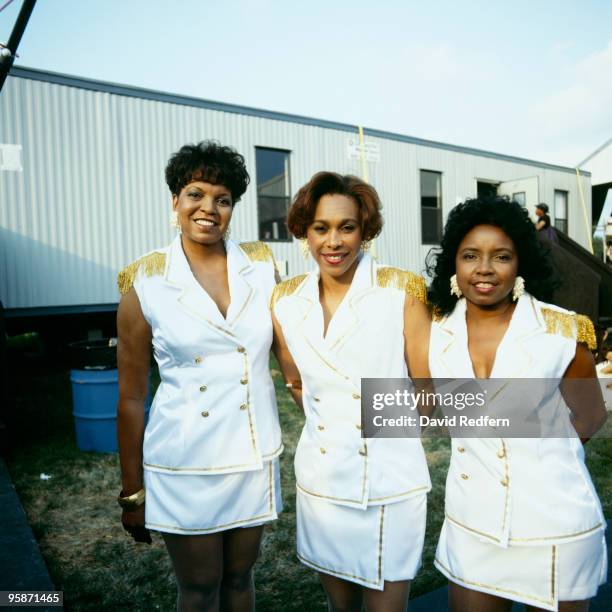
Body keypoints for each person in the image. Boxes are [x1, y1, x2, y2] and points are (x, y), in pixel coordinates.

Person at [116, 141, 283, 612]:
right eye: (195, 193)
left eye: (223, 199)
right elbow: (131, 398)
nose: (208, 208)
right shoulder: (144, 281)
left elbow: (296, 353)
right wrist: (132, 493)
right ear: (175, 201)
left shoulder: (263, 268)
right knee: (201, 588)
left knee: (239, 580)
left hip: (251, 454)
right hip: (186, 461)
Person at [427, 195, 607, 612]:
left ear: (519, 263)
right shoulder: (432, 330)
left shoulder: (561, 331)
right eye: (470, 255)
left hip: (555, 521)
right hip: (473, 523)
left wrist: (542, 452)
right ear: (454, 262)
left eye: (501, 256)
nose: (485, 268)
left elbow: (591, 416)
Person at [271, 172, 431, 612]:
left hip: (388, 480)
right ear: (305, 230)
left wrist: (368, 417)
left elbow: (428, 392)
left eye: (347, 227)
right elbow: (297, 384)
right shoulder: (285, 301)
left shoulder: (401, 289)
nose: (334, 241)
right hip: (323, 480)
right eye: (321, 228)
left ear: (365, 230)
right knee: (338, 607)